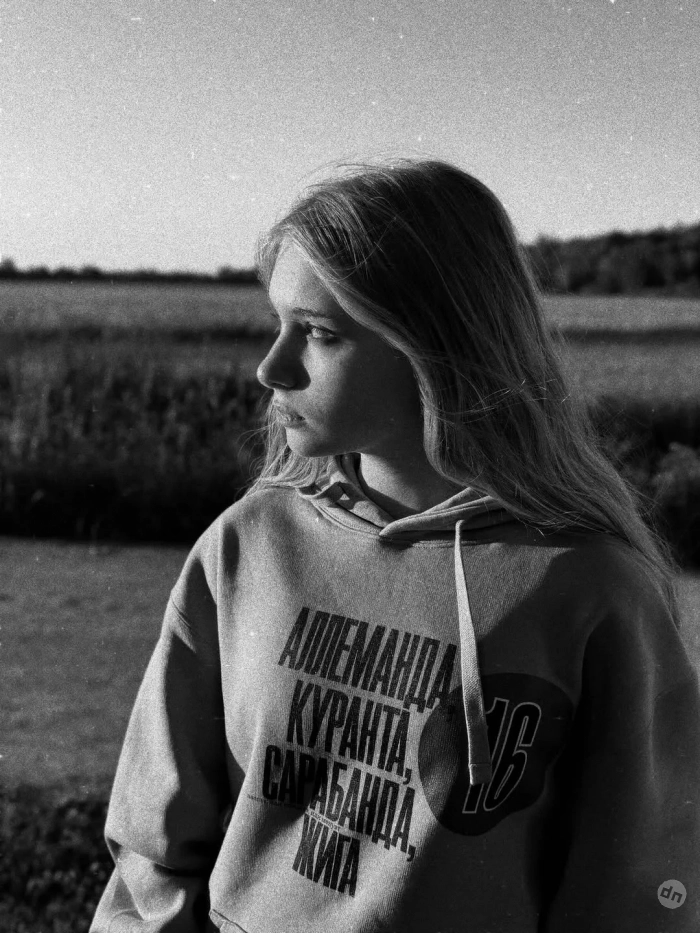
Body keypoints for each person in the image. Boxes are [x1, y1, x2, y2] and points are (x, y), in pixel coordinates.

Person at [90, 159, 700, 932]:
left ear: (437, 343)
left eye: (319, 332)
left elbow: (636, 894)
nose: (272, 366)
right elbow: (152, 851)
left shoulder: (589, 589)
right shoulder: (246, 545)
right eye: (278, 324)